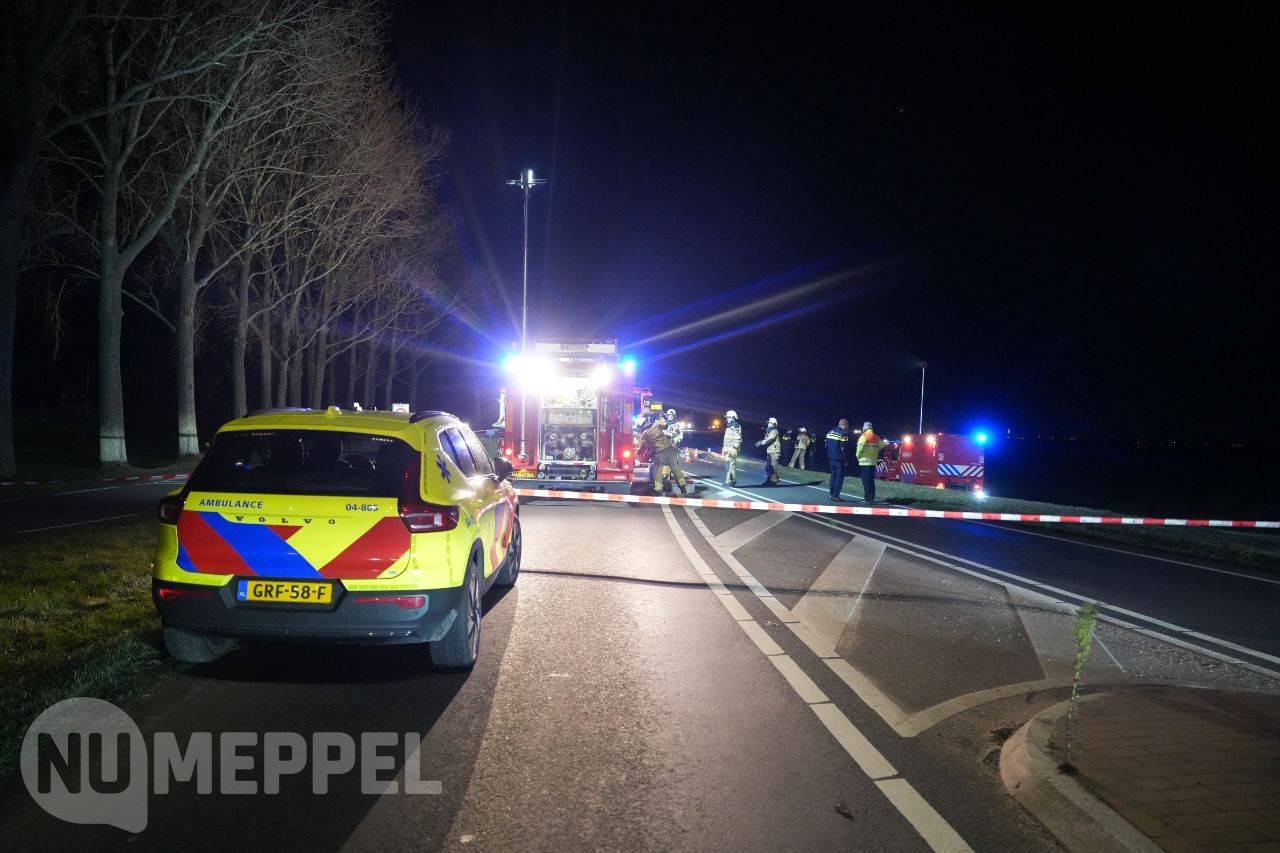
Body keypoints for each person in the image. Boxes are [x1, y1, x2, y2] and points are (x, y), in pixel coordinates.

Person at [856, 421, 885, 502]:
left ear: (865, 427)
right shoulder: (876, 436)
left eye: (863, 427)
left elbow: (860, 448)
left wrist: (858, 456)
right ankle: (871, 498)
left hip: (864, 461)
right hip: (873, 462)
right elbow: (882, 445)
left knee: (865, 481)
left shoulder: (864, 436)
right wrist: (875, 451)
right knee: (871, 481)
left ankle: (867, 498)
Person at [825, 419, 850, 500]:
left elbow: (826, 445)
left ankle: (831, 494)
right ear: (844, 425)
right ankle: (835, 496)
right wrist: (846, 460)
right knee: (839, 477)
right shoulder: (843, 434)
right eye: (847, 426)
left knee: (833, 476)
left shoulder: (830, 432)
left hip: (831, 457)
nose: (847, 428)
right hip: (839, 459)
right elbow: (844, 449)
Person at [756, 417, 781, 485]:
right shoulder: (769, 431)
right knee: (768, 467)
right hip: (770, 451)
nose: (768, 424)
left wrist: (760, 443)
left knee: (773, 467)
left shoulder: (774, 431)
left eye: (769, 423)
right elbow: (766, 440)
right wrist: (761, 442)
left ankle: (773, 481)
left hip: (774, 451)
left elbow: (769, 439)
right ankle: (769, 480)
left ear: (773, 424)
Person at [721, 409, 743, 484]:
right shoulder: (729, 427)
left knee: (731, 465)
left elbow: (738, 439)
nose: (727, 419)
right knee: (728, 465)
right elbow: (727, 440)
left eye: (728, 417)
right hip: (728, 449)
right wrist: (724, 449)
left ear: (733, 417)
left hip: (732, 449)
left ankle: (732, 481)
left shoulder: (735, 426)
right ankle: (728, 480)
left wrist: (734, 448)